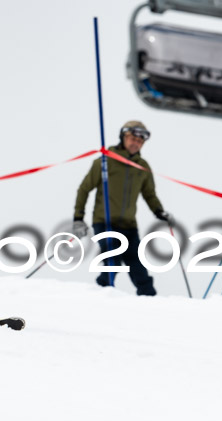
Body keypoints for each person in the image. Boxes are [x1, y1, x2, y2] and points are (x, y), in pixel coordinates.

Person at [72, 120, 172, 296]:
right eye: (132, 139)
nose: (136, 143)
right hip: (105, 222)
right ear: (123, 137)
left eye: (140, 141)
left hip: (129, 226)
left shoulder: (142, 166)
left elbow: (149, 193)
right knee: (112, 262)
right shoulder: (105, 161)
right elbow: (84, 189)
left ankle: (150, 302)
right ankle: (100, 296)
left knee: (138, 268)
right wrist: (78, 218)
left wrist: (159, 211)